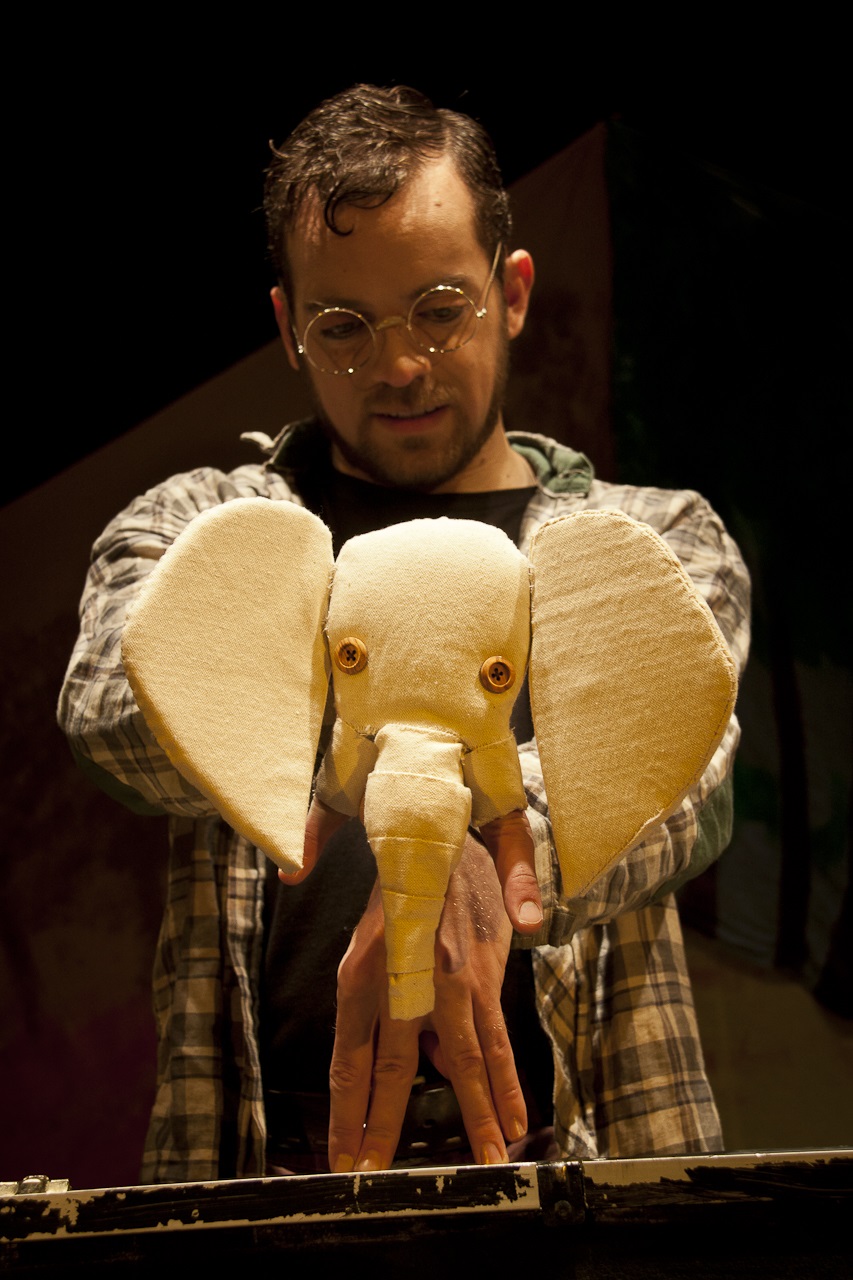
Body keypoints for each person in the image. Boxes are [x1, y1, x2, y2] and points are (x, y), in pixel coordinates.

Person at [57, 84, 751, 1186]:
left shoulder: (653, 538)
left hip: (590, 1168)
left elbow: (685, 778)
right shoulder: (194, 527)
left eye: (438, 308)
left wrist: (466, 862)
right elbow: (109, 711)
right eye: (344, 327)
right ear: (289, 328)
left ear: (510, 293)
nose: (399, 365)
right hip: (260, 1175)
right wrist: (426, 779)